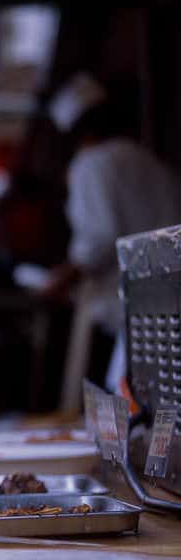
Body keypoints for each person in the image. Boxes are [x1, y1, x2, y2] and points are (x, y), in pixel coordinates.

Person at [41, 73, 181, 387]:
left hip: (130, 306)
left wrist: (61, 279)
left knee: (127, 401)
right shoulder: (147, 159)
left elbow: (98, 239)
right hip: (168, 303)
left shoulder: (91, 165)